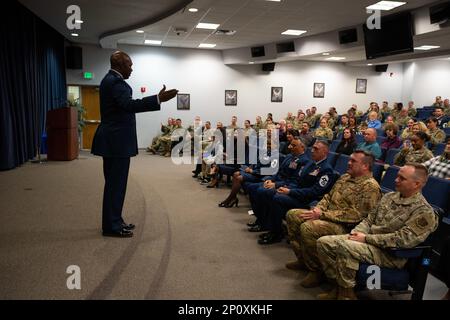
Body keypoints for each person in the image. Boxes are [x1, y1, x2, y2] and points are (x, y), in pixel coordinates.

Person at [316, 164, 439, 300]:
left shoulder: (424, 211)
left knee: (346, 247)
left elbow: (402, 240)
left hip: (390, 254)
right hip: (369, 242)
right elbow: (369, 220)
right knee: (324, 243)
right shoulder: (389, 197)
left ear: (416, 184)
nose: (396, 180)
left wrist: (366, 238)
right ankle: (341, 287)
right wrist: (355, 233)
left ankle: (346, 295)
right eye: (397, 176)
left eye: (402, 178)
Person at [91, 51, 178, 237]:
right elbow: (129, 105)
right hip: (117, 142)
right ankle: (112, 226)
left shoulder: (110, 80)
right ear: (119, 64)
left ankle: (115, 220)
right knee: (116, 185)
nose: (132, 68)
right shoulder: (115, 82)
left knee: (115, 184)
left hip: (114, 141)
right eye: (129, 64)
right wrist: (158, 99)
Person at [285, 151, 381, 288]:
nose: (349, 163)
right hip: (326, 216)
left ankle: (317, 271)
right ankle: (304, 260)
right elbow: (328, 196)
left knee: (309, 228)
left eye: (353, 161)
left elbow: (356, 215)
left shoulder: (370, 186)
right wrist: (317, 209)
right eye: (349, 159)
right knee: (293, 215)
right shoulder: (344, 177)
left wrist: (322, 214)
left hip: (346, 226)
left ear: (365, 166)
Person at [256, 140, 336, 245]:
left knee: (277, 198)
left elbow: (315, 192)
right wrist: (285, 187)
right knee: (272, 193)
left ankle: (276, 233)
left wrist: (290, 192)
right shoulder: (310, 164)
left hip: (307, 200)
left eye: (316, 149)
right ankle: (271, 227)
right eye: (312, 148)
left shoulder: (326, 170)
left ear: (325, 152)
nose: (312, 151)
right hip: (298, 194)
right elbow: (297, 180)